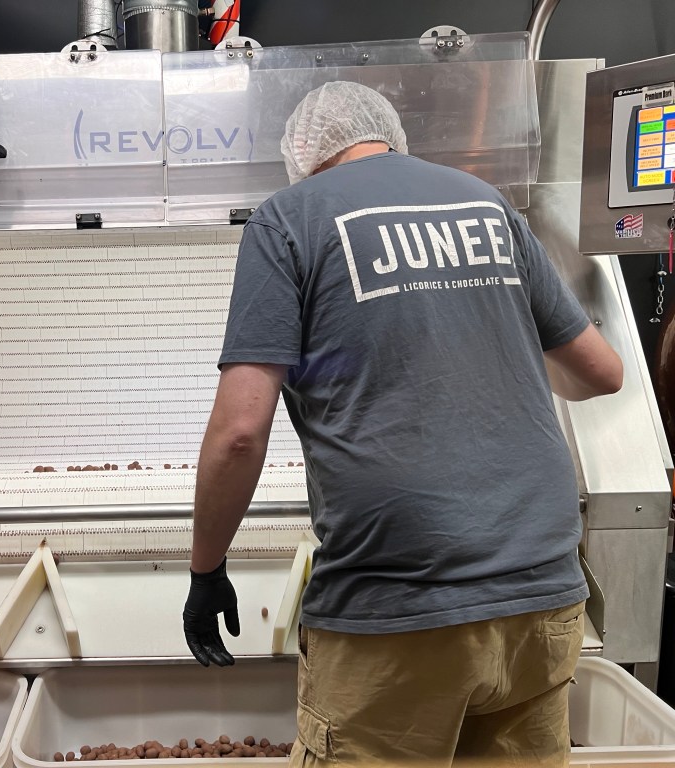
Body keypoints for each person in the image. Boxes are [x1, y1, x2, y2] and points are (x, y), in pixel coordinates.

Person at [181, 80, 624, 767]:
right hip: (541, 595)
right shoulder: (486, 204)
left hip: (400, 607)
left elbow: (241, 431)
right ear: (388, 134)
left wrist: (206, 569)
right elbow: (600, 373)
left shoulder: (288, 219)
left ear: (301, 152)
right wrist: (494, 341)